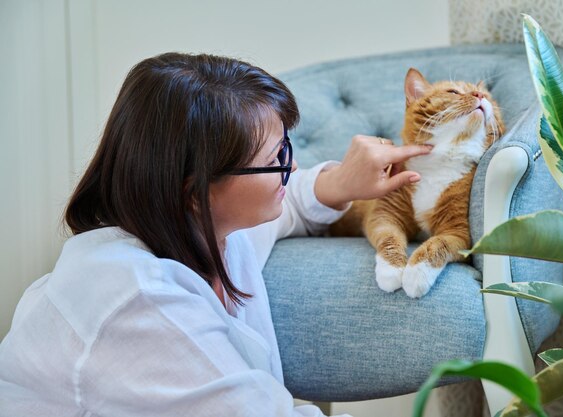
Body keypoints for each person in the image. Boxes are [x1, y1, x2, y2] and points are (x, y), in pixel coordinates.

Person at [0, 53, 430, 417]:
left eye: (287, 149)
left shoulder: (210, 228)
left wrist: (340, 184)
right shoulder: (138, 303)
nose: (292, 167)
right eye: (275, 158)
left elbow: (291, 200)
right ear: (195, 191)